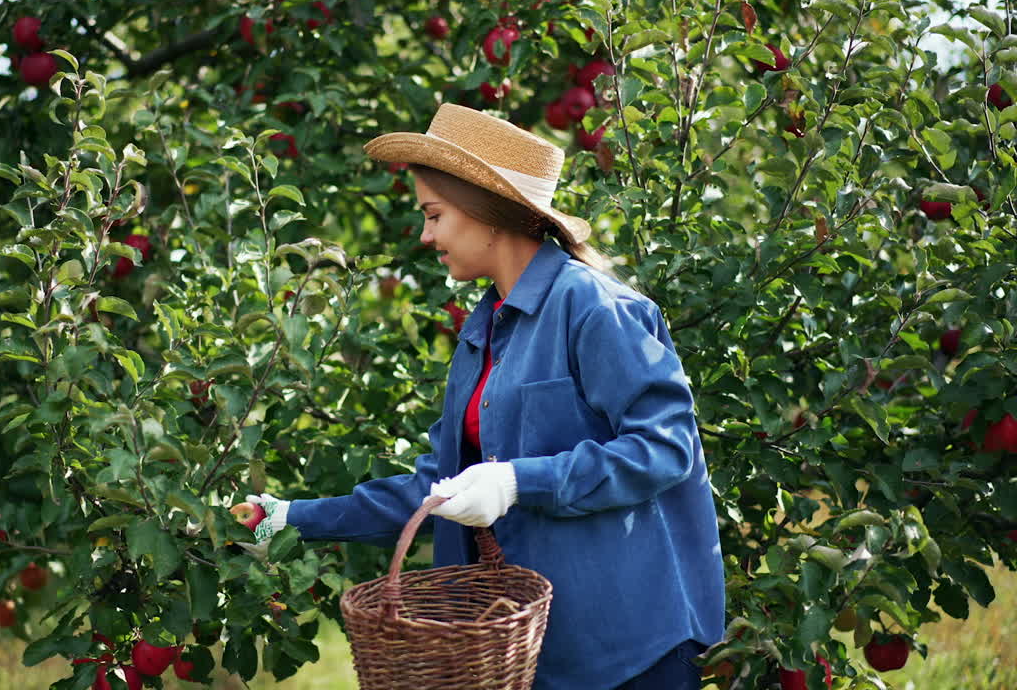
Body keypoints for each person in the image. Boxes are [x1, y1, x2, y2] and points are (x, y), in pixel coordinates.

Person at [244, 103, 725, 690]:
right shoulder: (485, 330)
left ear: (485, 212)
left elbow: (666, 448)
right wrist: (288, 517)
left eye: (434, 215)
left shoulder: (595, 308)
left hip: (626, 647)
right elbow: (439, 488)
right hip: (522, 648)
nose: (425, 235)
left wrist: (521, 480)